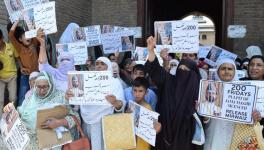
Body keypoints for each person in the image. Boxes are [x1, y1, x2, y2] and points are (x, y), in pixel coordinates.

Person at [145, 36, 202, 150]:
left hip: (187, 139)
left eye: (187, 70)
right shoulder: (169, 82)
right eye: (180, 69)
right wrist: (151, 51)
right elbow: (155, 70)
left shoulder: (201, 90)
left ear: (195, 74)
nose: (183, 72)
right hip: (164, 134)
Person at [3, 72, 80, 150]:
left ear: (50, 85)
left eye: (45, 87)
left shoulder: (60, 97)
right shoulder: (31, 97)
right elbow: (19, 112)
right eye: (39, 87)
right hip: (28, 141)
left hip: (50, 142)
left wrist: (59, 122)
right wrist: (10, 110)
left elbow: (76, 118)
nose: (41, 90)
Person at [65, 56, 125, 150]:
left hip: (106, 123)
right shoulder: (86, 80)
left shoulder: (115, 83)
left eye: (102, 64)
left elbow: (121, 106)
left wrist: (115, 102)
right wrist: (70, 97)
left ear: (108, 66)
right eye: (97, 64)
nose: (99, 66)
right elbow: (76, 106)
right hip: (87, 121)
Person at [203, 58, 261, 150]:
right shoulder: (209, 89)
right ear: (217, 71)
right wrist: (204, 113)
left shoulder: (244, 90)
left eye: (230, 69)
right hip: (214, 136)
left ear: (235, 71)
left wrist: (252, 119)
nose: (226, 71)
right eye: (223, 68)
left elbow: (248, 121)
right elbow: (206, 121)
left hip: (236, 137)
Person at [9, 19, 40, 106]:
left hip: (36, 75)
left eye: (29, 35)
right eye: (25, 36)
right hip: (25, 76)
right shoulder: (19, 48)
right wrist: (17, 21)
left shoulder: (34, 43)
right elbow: (11, 35)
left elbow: (34, 31)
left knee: (36, 95)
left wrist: (28, 20)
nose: (28, 37)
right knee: (22, 96)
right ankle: (20, 114)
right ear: (20, 39)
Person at [38, 25, 75, 92]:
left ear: (73, 63)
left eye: (68, 59)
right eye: (62, 60)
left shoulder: (79, 76)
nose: (65, 62)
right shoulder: (54, 73)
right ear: (57, 63)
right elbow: (43, 63)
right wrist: (42, 44)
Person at [129, 77, 161, 150]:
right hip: (131, 143)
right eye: (135, 90)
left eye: (140, 91)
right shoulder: (131, 105)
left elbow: (155, 129)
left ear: (146, 92)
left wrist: (158, 128)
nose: (137, 94)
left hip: (142, 145)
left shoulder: (147, 108)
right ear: (132, 91)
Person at [0, 29, 19, 115]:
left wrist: (22, 67)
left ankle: (11, 117)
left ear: (2, 38)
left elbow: (17, 58)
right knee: (0, 99)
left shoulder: (11, 46)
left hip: (12, 76)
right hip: (0, 78)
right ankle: (1, 120)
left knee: (13, 98)